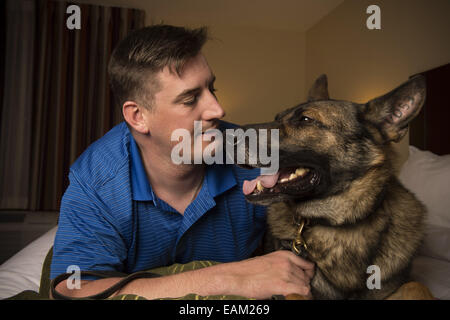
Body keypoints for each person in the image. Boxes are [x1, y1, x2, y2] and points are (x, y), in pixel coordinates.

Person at [50, 24, 314, 300]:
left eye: (212, 88)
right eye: (190, 99)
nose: (217, 109)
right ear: (138, 116)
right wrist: (225, 278)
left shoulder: (255, 152)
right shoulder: (96, 179)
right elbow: (70, 291)